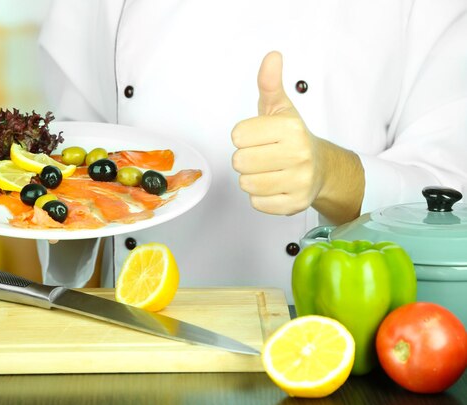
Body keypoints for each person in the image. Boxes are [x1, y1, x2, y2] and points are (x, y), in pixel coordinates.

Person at [36, 0, 467, 302]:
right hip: (143, 329)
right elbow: (77, 148)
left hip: (332, 337)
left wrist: (330, 174)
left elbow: (447, 192)